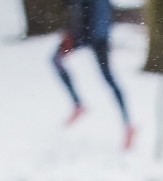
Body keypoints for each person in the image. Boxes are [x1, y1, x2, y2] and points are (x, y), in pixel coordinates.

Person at [52, 0, 135, 148]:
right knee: (109, 79)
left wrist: (71, 35)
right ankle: (127, 124)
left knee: (108, 78)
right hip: (95, 34)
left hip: (93, 34)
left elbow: (82, 11)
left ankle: (128, 125)